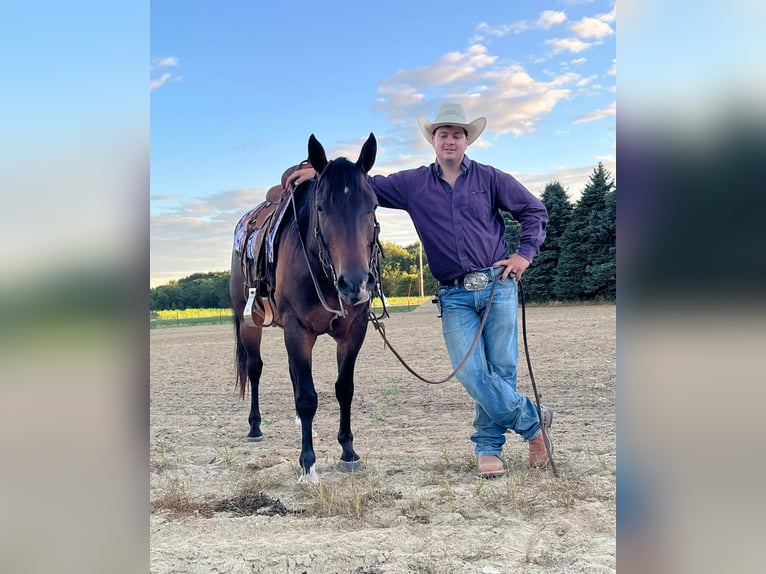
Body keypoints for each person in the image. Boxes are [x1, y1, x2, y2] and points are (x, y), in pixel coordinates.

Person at [286, 103, 552, 477]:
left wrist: (524, 255)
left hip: (498, 286)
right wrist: (324, 174)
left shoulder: (491, 179)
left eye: (457, 134)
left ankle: (488, 449)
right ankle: (533, 422)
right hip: (455, 294)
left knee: (501, 372)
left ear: (466, 140)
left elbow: (534, 211)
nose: (450, 140)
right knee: (471, 373)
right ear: (432, 139)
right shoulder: (413, 184)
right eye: (442, 133)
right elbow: (356, 189)